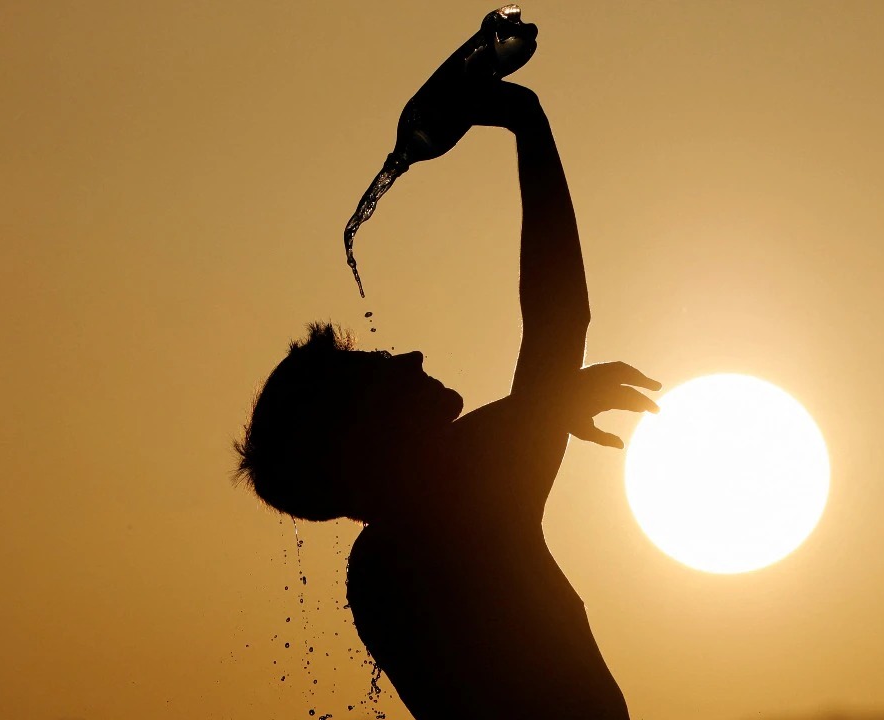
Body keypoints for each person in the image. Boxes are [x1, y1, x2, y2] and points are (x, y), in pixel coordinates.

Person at [234, 81, 658, 718]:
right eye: (376, 367)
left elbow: (547, 348)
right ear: (363, 433)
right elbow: (558, 318)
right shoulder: (449, 521)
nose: (411, 357)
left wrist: (541, 404)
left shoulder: (393, 551)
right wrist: (525, 120)